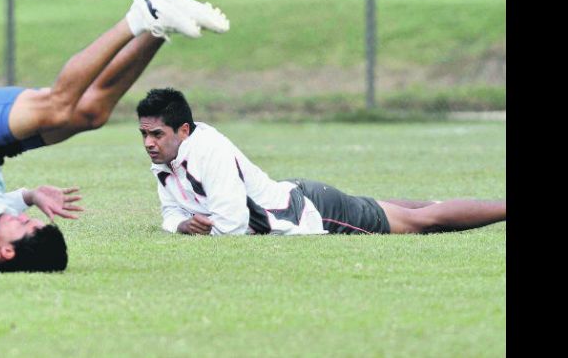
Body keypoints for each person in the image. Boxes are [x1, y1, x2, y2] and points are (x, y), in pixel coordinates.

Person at [0, 0, 230, 274]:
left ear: (3, 251)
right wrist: (29, 197)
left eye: (22, 223)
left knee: (58, 106)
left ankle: (139, 14)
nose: (20, 218)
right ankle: (158, 29)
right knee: (91, 115)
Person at [136, 88, 506, 236]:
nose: (150, 144)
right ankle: (464, 205)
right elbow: (170, 213)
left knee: (419, 222)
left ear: (183, 130)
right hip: (295, 195)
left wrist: (202, 230)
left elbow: (231, 226)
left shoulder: (208, 150)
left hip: (307, 211)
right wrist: (182, 226)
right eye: (144, 135)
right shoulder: (168, 161)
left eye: (157, 135)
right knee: (386, 209)